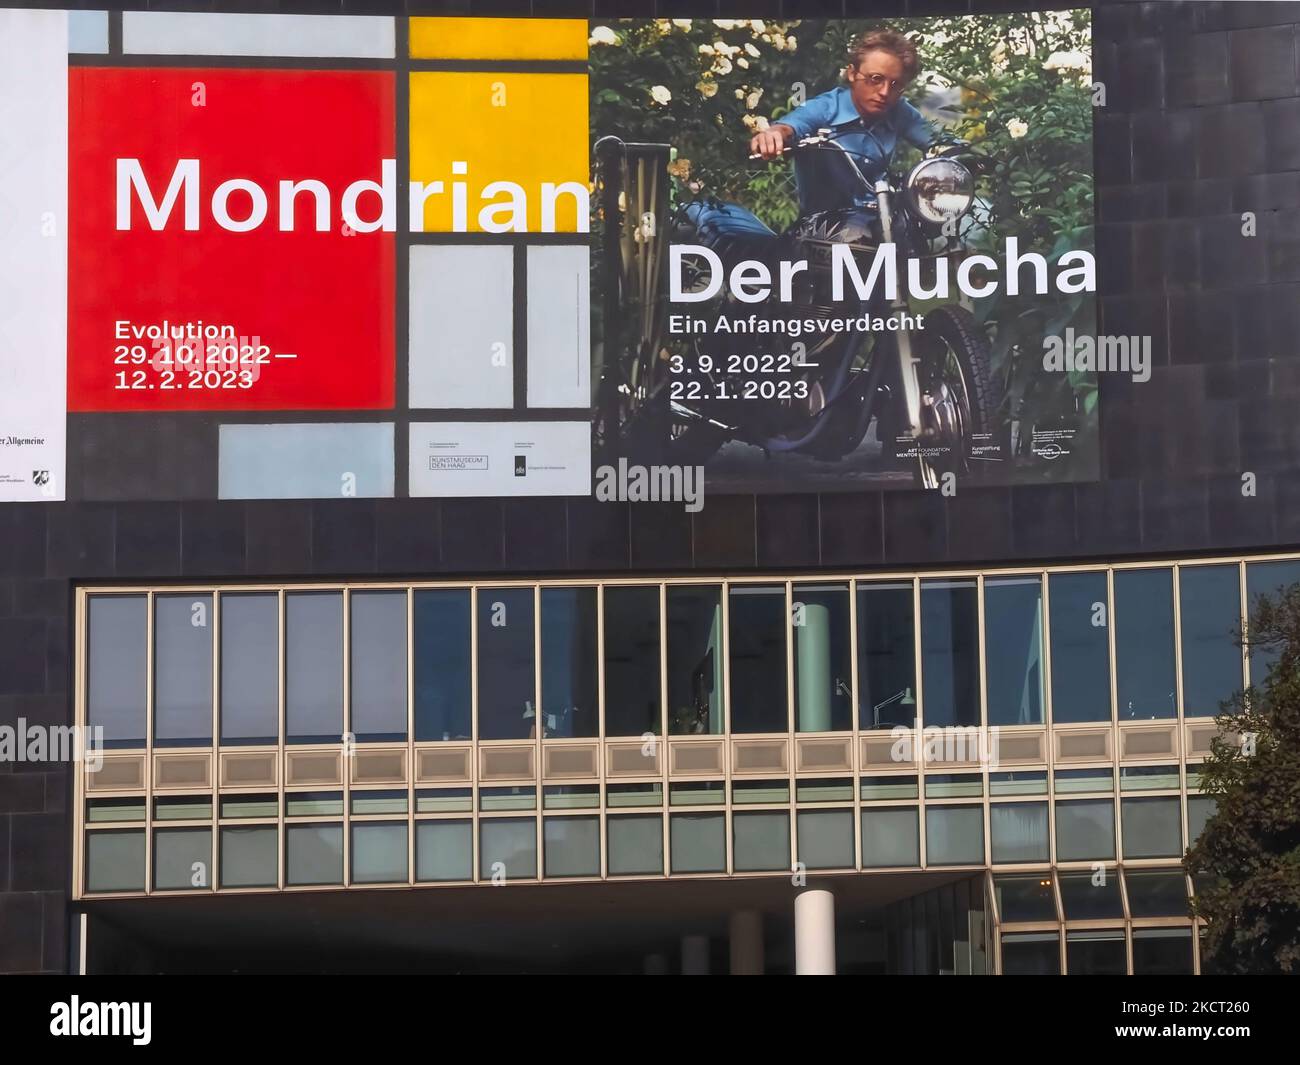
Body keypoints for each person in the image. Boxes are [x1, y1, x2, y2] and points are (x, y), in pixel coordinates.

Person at [748, 28, 937, 215]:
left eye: (896, 85)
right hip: (822, 229)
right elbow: (792, 125)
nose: (885, 92)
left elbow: (939, 140)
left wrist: (960, 153)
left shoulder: (899, 110)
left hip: (879, 222)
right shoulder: (826, 107)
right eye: (875, 79)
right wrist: (774, 134)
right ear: (852, 74)